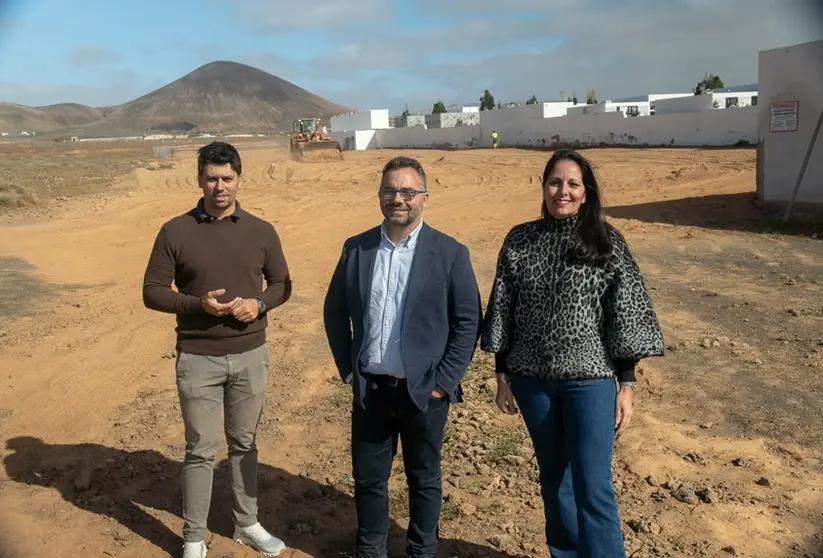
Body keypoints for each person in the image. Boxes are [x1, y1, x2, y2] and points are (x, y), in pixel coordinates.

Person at [479, 149, 665, 558]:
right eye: (555, 182)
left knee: (593, 485)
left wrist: (627, 384)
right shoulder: (520, 239)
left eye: (572, 184)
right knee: (554, 481)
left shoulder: (605, 240)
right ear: (544, 187)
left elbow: (626, 313)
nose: (562, 191)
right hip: (531, 381)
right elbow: (503, 307)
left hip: (590, 381)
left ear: (585, 191)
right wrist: (502, 375)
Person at [323, 156, 482, 558]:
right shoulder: (356, 249)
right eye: (390, 190)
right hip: (372, 389)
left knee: (424, 479)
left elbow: (468, 321)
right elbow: (334, 310)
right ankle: (371, 550)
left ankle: (420, 551)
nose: (399, 199)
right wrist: (348, 369)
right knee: (368, 480)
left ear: (424, 197)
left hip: (423, 392)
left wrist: (443, 382)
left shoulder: (449, 253)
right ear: (379, 196)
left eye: (408, 191)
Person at [142, 141, 292, 558]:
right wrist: (197, 305)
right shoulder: (175, 230)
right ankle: (193, 538)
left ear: (239, 180)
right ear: (199, 180)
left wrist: (259, 303)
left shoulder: (262, 231)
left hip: (250, 356)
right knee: (200, 450)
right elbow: (152, 291)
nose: (219, 186)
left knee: (244, 444)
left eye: (227, 178)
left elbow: (283, 284)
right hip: (197, 358)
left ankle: (247, 524)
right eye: (211, 178)